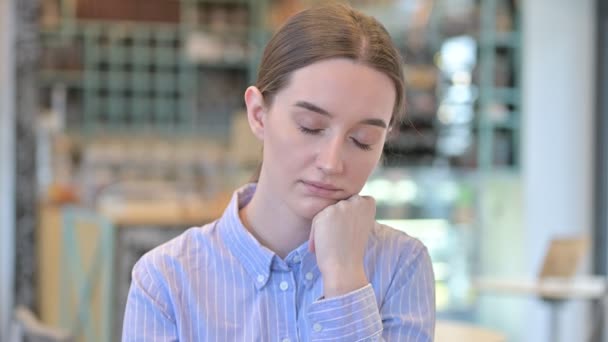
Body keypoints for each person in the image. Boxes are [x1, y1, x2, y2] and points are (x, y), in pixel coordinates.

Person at [122, 3, 435, 341]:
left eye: (362, 141)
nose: (331, 163)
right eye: (310, 127)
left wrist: (345, 279)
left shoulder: (401, 266)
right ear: (258, 114)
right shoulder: (166, 281)